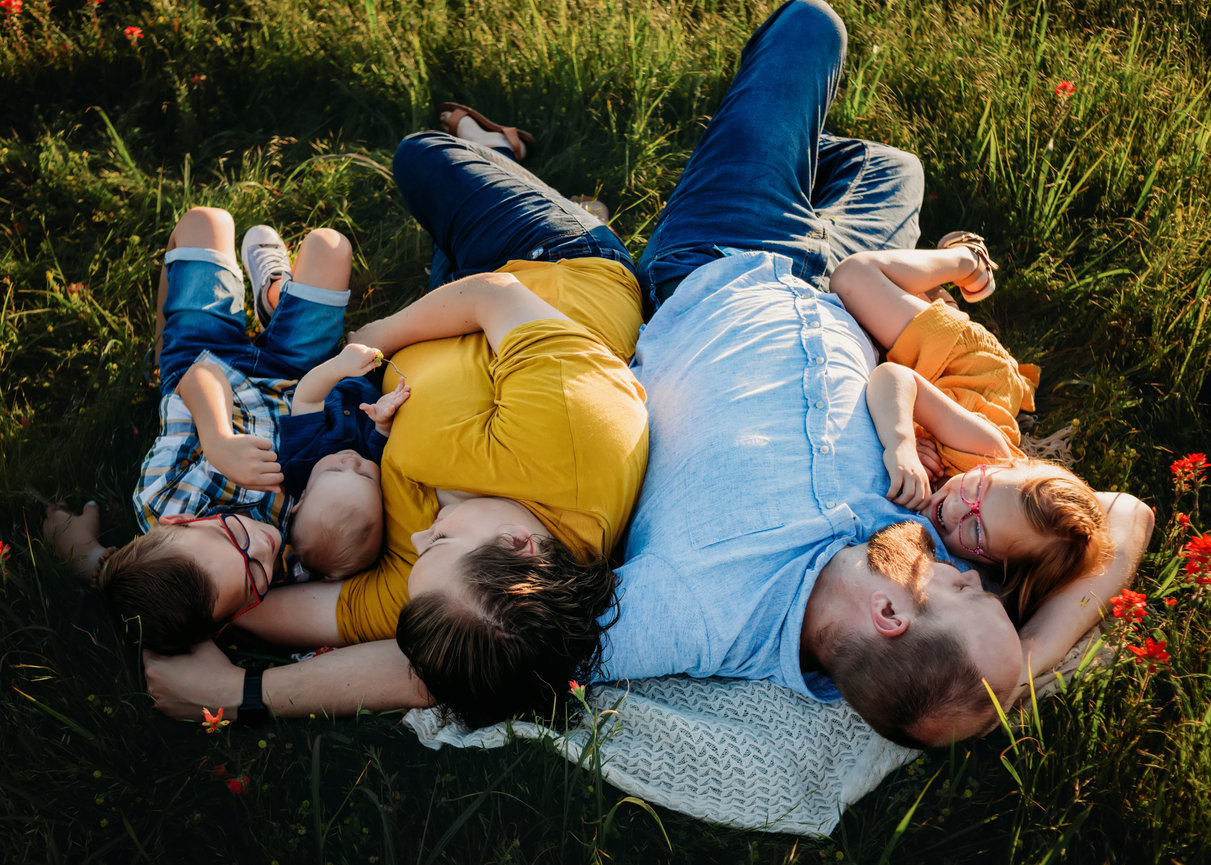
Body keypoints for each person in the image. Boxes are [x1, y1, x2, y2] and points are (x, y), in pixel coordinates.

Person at [136, 0, 1152, 747]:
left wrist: (246, 690)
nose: (972, 569)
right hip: (846, 291)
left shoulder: (681, 618)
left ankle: (706, 164)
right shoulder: (914, 538)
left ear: (889, 619)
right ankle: (790, 168)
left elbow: (435, 662)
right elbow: (1123, 520)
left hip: (723, 253)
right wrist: (1012, 674)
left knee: (809, 28)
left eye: (967, 592)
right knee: (890, 170)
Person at [49, 122, 650, 729]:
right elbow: (497, 295)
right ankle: (511, 163)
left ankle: (502, 170)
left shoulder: (454, 596)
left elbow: (229, 603)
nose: (418, 544)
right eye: (437, 544)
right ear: (521, 545)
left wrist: (118, 578)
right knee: (419, 156)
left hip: (433, 313)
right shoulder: (569, 446)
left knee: (434, 215)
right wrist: (374, 337)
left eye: (428, 551)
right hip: (550, 268)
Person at [828, 241, 1113, 619]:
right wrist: (903, 443)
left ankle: (936, 293)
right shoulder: (987, 447)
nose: (958, 507)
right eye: (978, 487)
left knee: (895, 310)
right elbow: (894, 378)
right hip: (961, 365)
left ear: (996, 565)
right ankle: (966, 261)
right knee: (852, 279)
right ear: (1001, 467)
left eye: (977, 531)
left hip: (936, 396)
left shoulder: (975, 563)